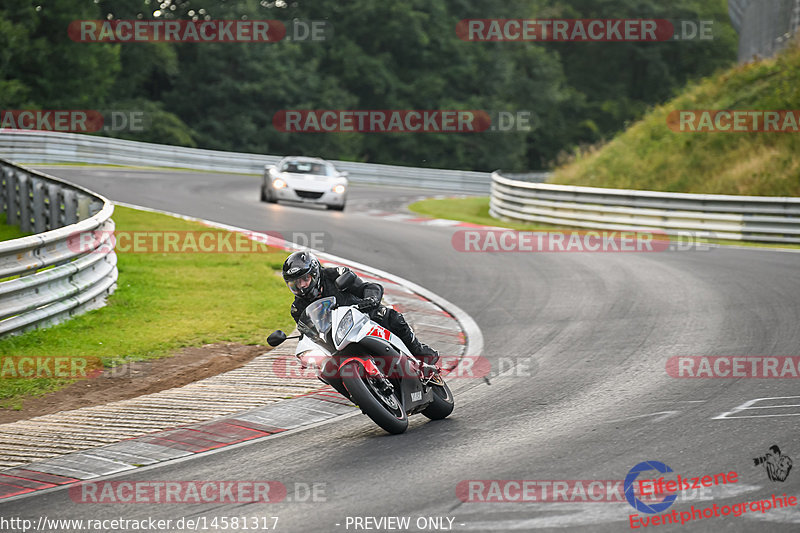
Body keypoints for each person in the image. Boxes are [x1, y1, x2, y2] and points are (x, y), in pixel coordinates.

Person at [282, 250, 439, 366]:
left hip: (362, 317)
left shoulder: (335, 274)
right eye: (295, 283)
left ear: (315, 273)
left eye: (305, 279)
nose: (301, 285)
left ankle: (418, 351)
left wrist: (371, 299)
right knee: (322, 368)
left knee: (390, 316)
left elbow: (368, 287)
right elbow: (307, 331)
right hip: (335, 339)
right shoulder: (297, 308)